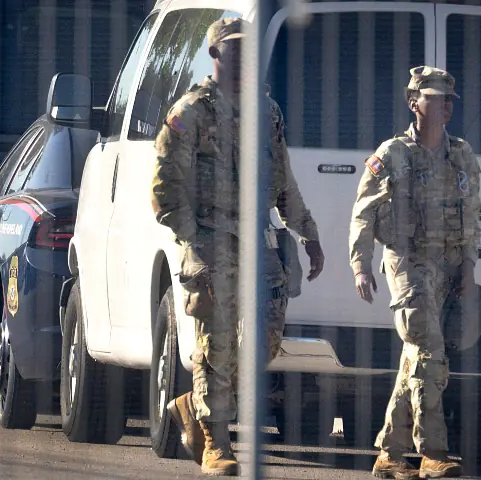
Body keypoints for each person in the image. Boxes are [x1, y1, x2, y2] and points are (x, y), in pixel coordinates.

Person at [150, 17, 325, 476]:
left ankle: (194, 401)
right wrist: (192, 245)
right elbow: (166, 191)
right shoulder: (190, 112)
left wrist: (308, 233)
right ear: (215, 55)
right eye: (233, 50)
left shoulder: (266, 112)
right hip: (209, 241)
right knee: (218, 342)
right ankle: (216, 442)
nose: (243, 59)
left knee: (266, 341)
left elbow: (283, 179)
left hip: (259, 241)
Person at [348, 66, 481, 479]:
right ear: (414, 104)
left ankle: (390, 454)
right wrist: (360, 265)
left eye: (448, 100)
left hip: (449, 267)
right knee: (430, 351)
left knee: (416, 361)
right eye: (434, 98)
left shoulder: (462, 154)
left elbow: (472, 215)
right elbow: (363, 212)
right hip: (407, 263)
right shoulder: (392, 154)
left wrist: (468, 270)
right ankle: (433, 452)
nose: (443, 105)